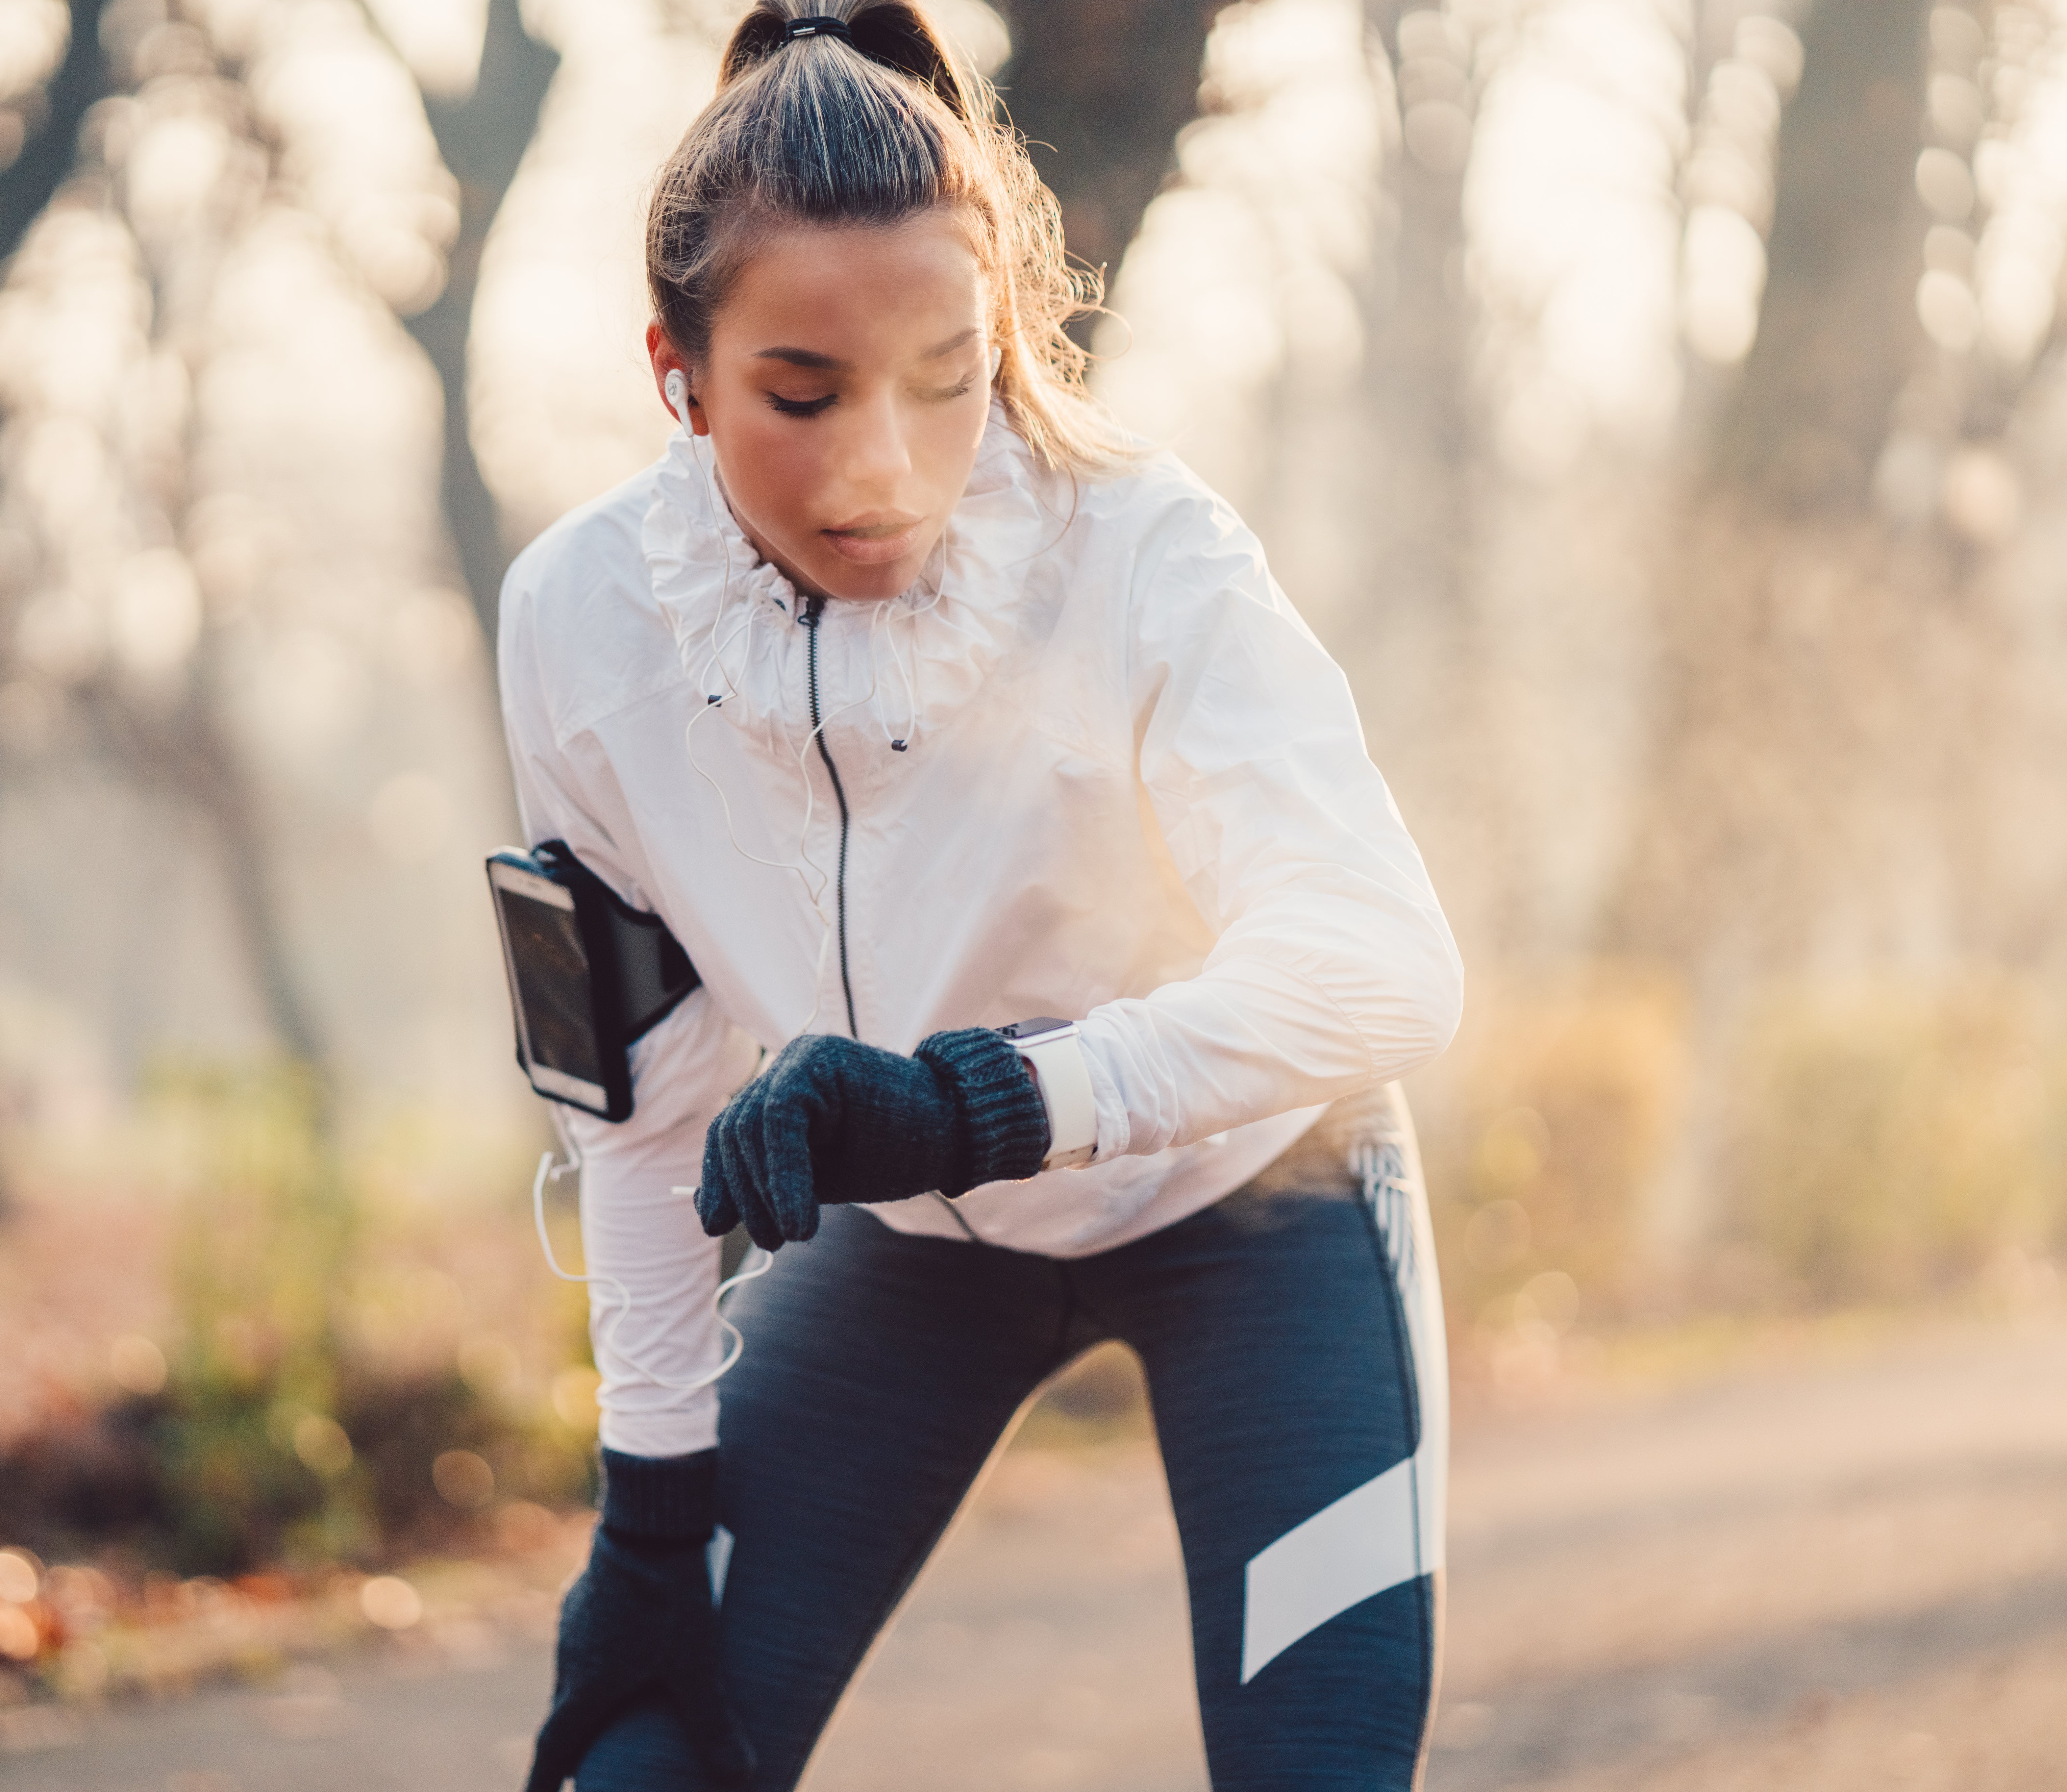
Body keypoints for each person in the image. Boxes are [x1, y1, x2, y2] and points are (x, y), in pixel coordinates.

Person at [497, 4, 1463, 1786]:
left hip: (1263, 1205)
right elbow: (634, 1109)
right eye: (801, 393)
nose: (882, 460)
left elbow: (1389, 964)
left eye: (949, 375)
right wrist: (650, 1505)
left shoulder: (1145, 556)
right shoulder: (581, 629)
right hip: (917, 1258)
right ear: (677, 371)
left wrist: (983, 1094)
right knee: (637, 1761)